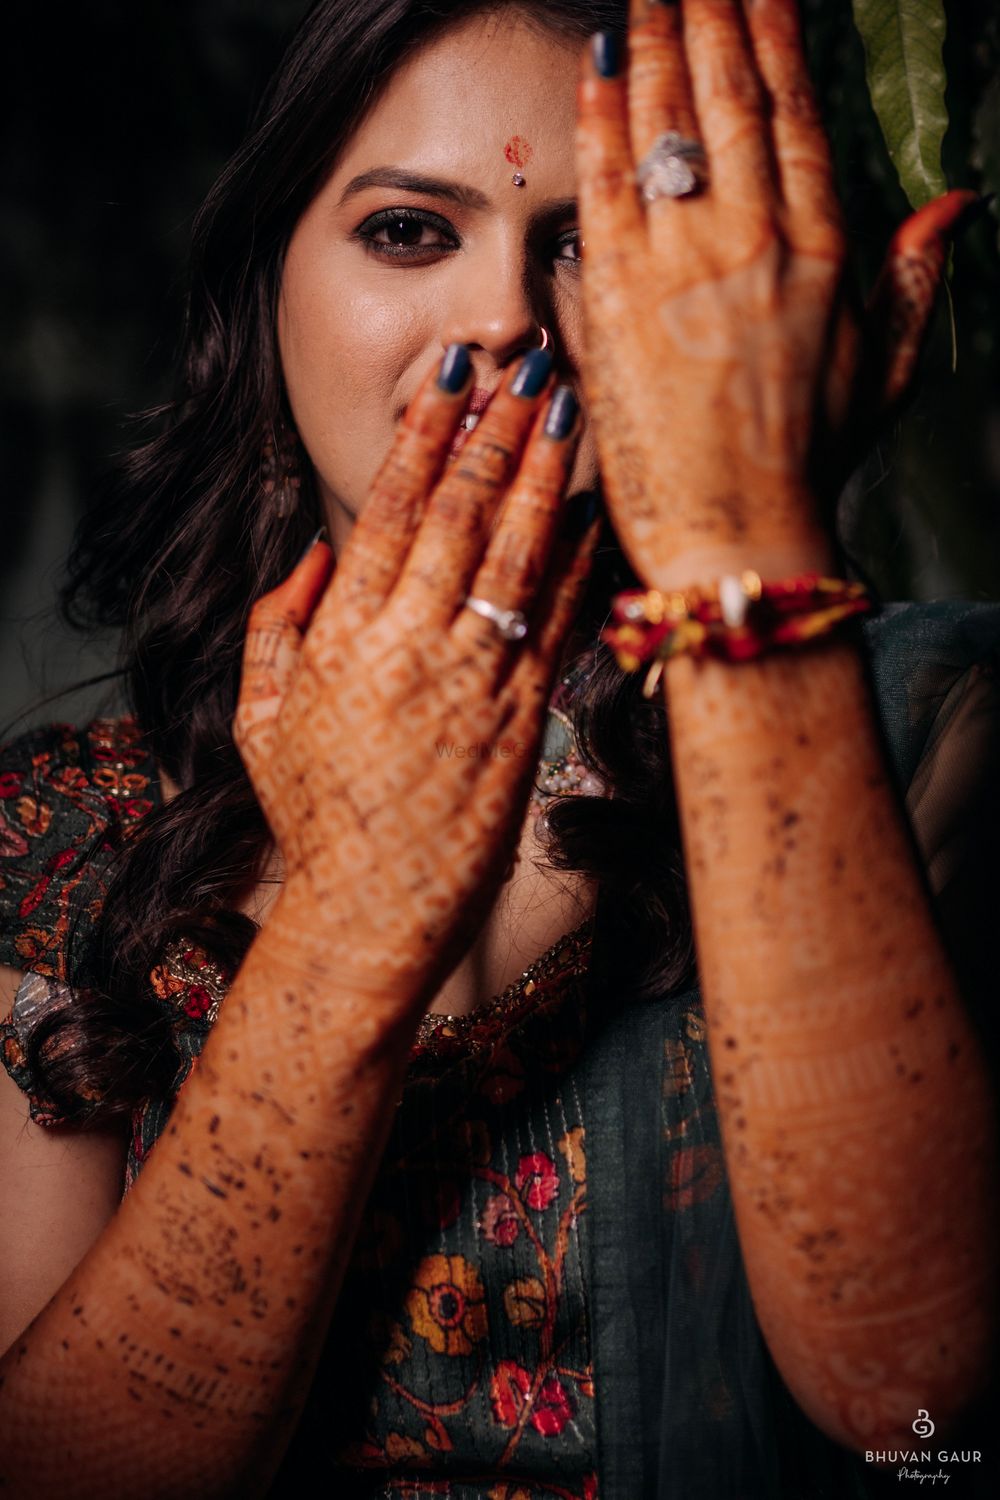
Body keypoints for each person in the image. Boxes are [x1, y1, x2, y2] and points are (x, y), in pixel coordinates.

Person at [0, 1, 996, 1496]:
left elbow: (925, 1416)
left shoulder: (928, 727)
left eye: (590, 240)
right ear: (268, 294)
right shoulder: (71, 836)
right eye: (410, 230)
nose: (503, 324)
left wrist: (732, 546)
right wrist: (349, 916)